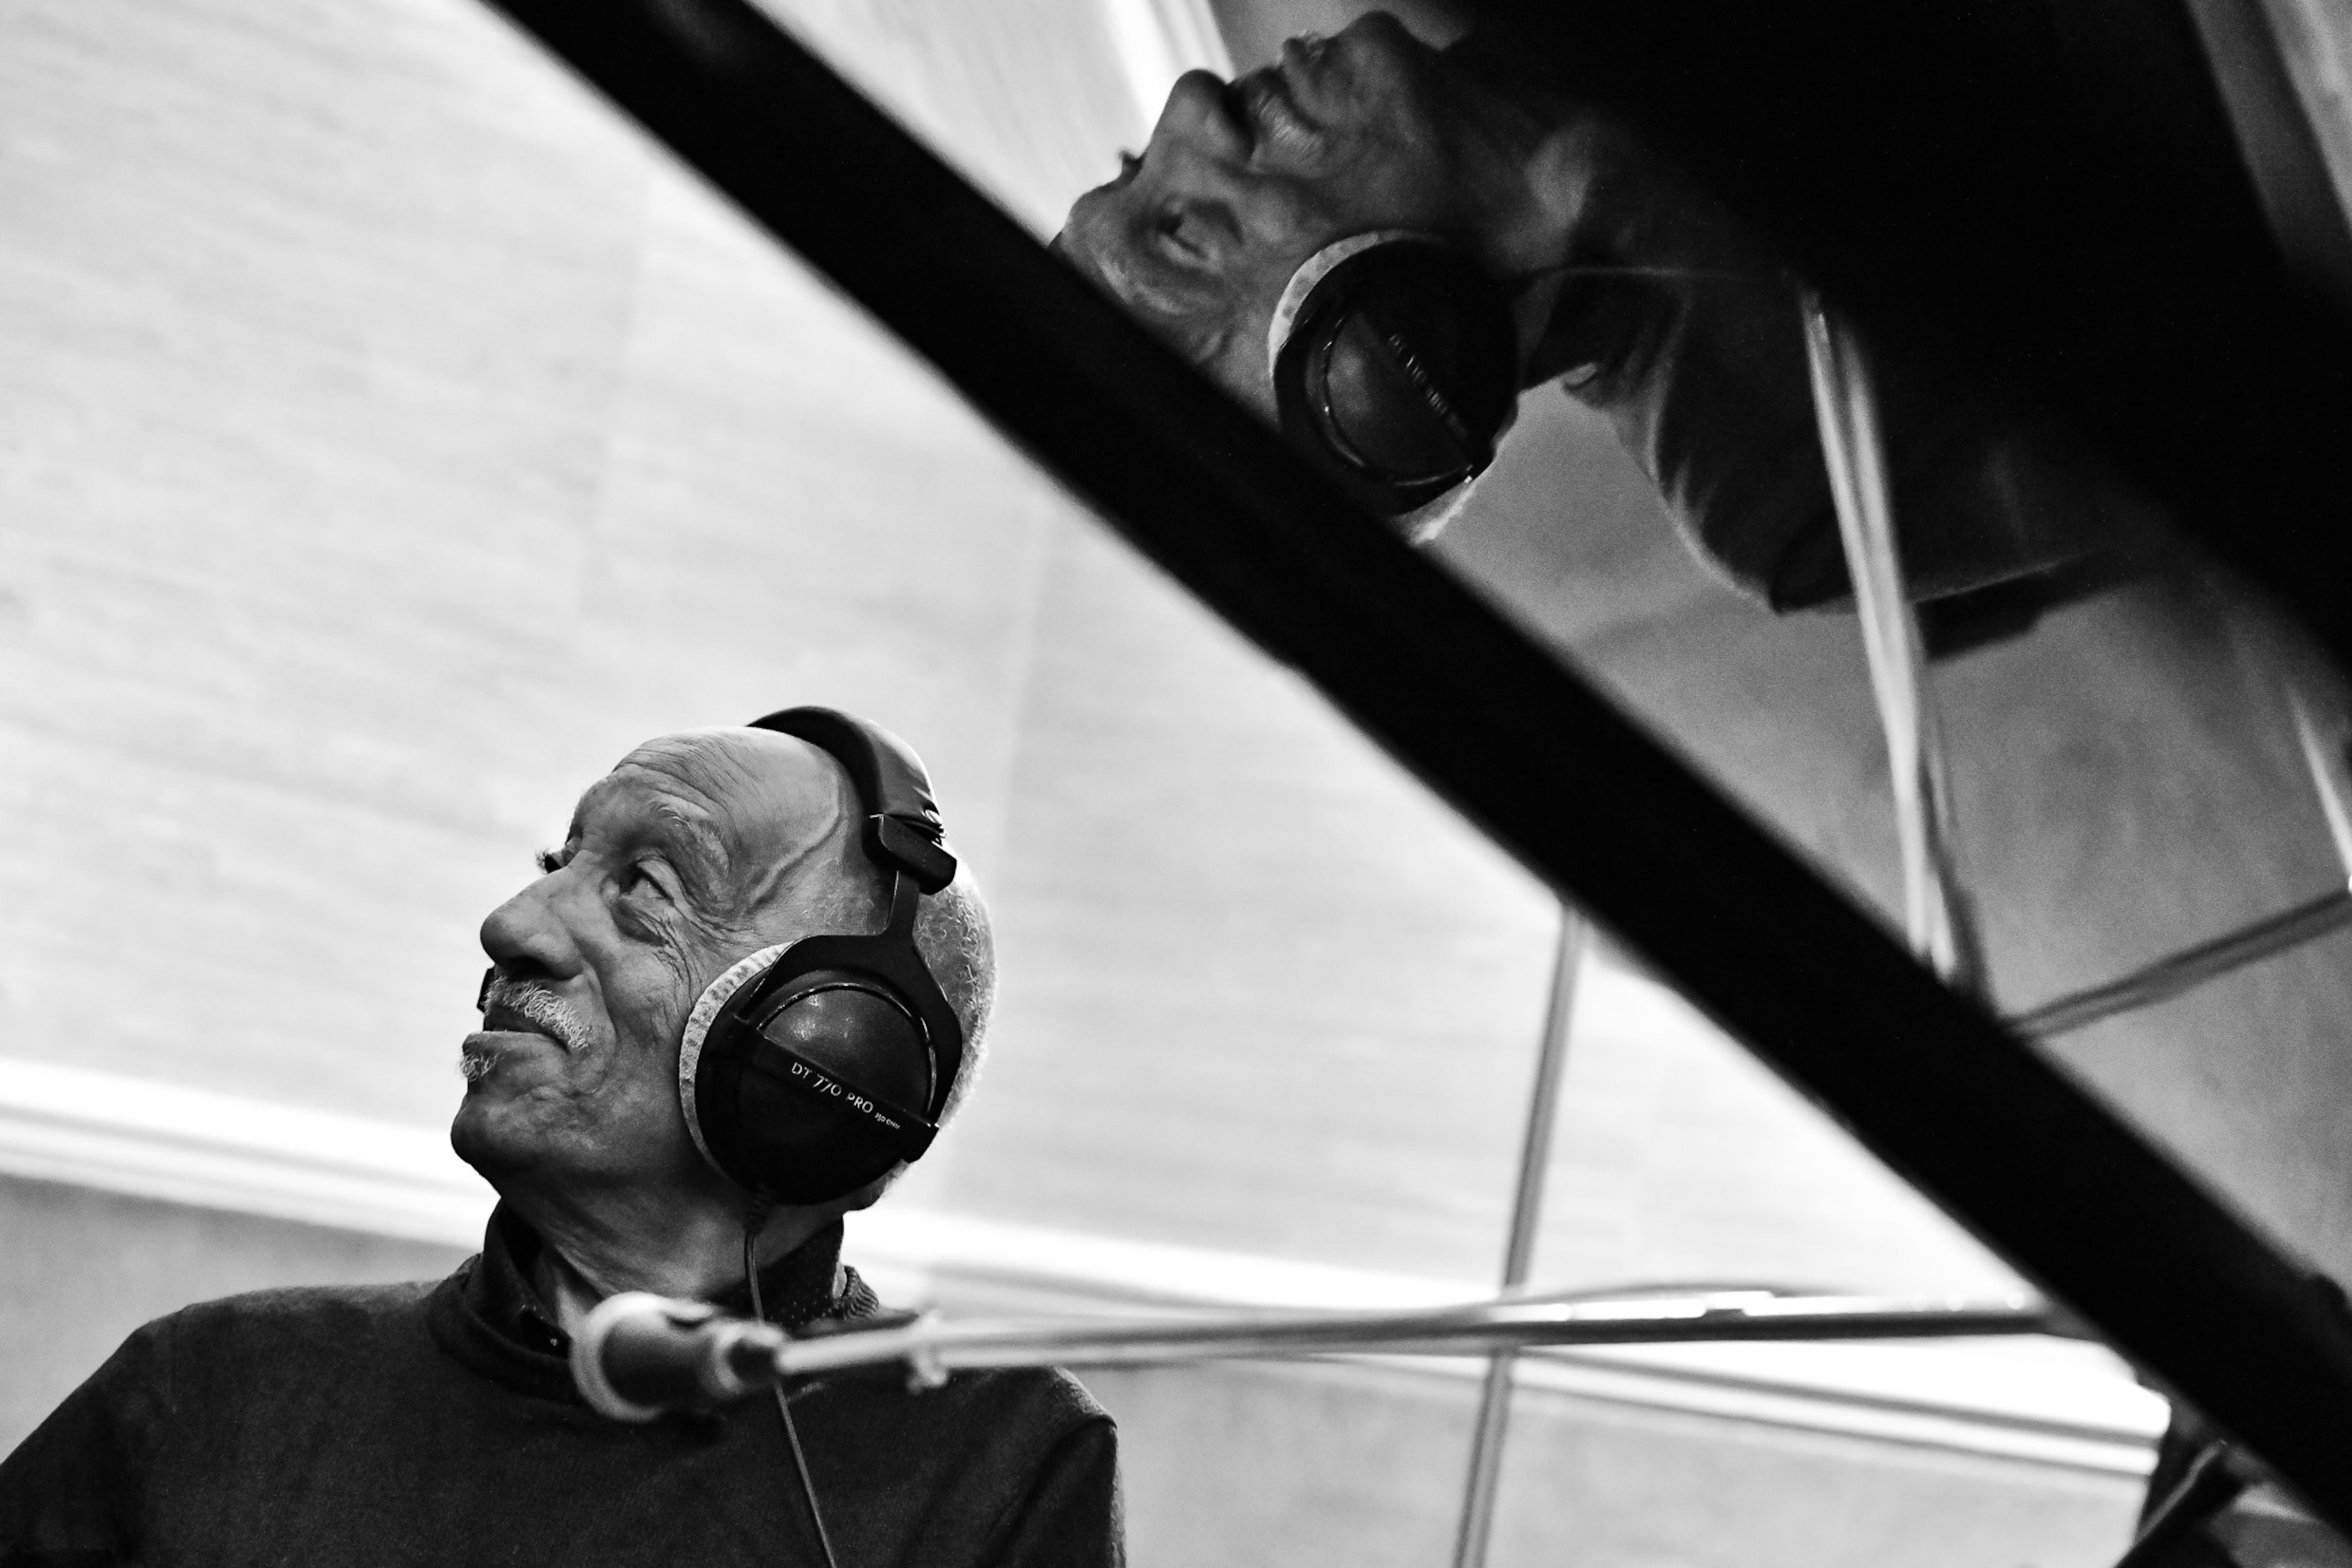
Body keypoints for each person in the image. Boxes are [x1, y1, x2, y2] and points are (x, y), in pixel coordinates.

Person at [0, 714, 1122, 1567]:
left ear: (835, 1057)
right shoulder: (210, 1393)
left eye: (645, 886)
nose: (513, 926)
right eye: (557, 867)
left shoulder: (1000, 1467)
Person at [1056, 11, 2156, 613]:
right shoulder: (1782, 489)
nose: (1190, 106)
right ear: (1368, 385)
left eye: (1133, 162)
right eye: (1182, 234)